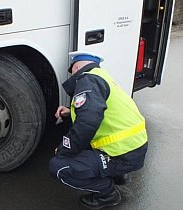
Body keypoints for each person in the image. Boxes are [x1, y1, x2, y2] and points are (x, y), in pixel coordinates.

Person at [49, 51, 148, 209]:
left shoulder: (86, 79)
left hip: (123, 154)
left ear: (76, 68)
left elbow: (87, 123)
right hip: (134, 147)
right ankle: (118, 175)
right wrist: (70, 111)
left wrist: (64, 150)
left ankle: (107, 193)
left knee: (59, 167)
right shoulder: (102, 77)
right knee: (85, 143)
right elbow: (100, 111)